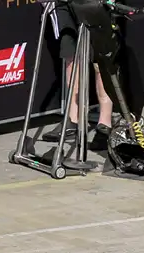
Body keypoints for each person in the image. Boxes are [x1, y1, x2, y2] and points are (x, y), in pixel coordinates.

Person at [42, 2, 113, 152]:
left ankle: (105, 123)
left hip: (95, 4)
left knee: (101, 57)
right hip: (63, 3)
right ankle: (73, 120)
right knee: (71, 56)